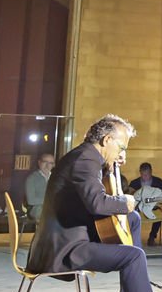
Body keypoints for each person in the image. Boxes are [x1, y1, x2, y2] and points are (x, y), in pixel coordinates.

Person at [26, 114, 148, 292]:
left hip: (68, 238)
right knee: (134, 256)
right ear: (107, 140)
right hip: (65, 250)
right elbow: (97, 203)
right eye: (121, 147)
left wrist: (111, 165)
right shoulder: (86, 160)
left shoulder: (86, 156)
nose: (122, 153)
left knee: (133, 219)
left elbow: (92, 188)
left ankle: (134, 280)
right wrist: (125, 202)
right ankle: (136, 276)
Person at [127, 162, 162, 247]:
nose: (145, 177)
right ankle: (134, 239)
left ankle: (152, 237)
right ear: (140, 173)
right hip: (139, 208)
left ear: (151, 172)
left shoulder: (159, 182)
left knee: (159, 214)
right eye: (143, 175)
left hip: (155, 208)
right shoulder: (134, 183)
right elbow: (130, 197)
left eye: (147, 174)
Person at [24, 153, 55, 223]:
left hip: (53, 208)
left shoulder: (56, 178)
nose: (47, 165)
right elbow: (31, 200)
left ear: (53, 165)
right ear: (39, 162)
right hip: (37, 209)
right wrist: (50, 199)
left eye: (50, 163)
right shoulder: (31, 179)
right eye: (45, 162)